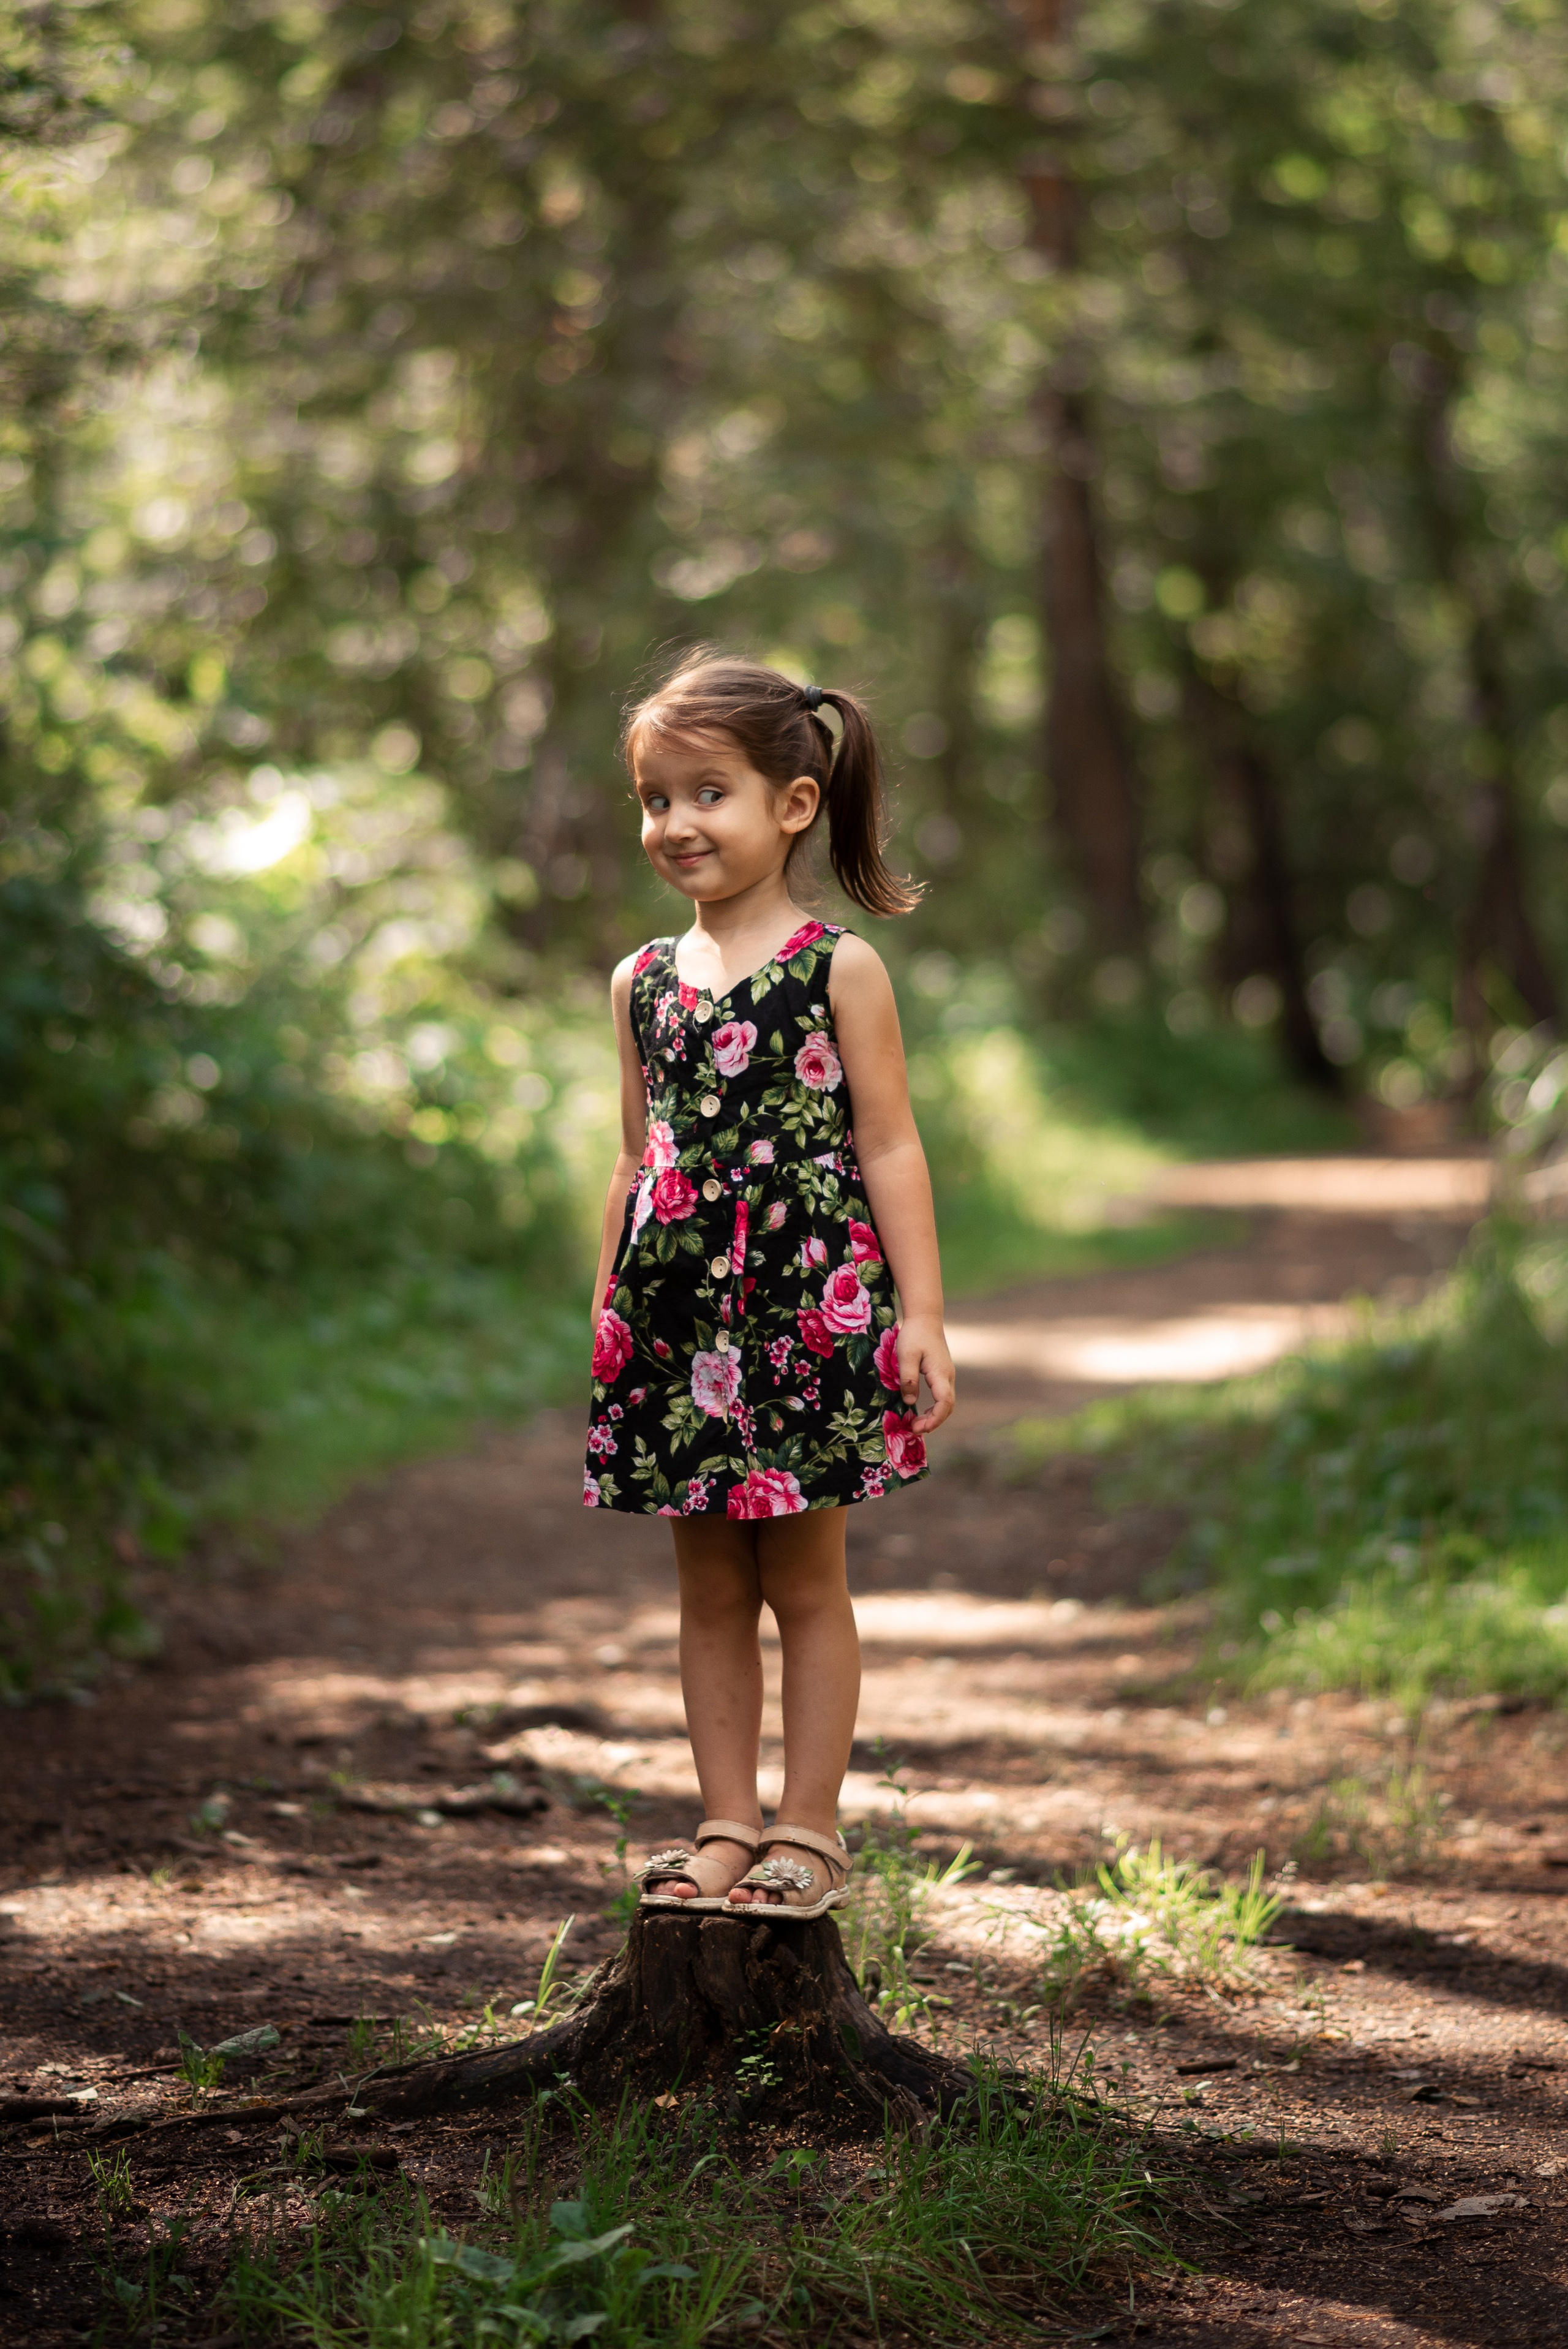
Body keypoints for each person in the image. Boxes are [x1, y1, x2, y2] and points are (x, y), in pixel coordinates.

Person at [584, 649, 955, 1918]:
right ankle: (725, 1821)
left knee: (803, 1583)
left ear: (791, 805)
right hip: (677, 1319)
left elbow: (889, 1144)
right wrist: (607, 1304)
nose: (675, 823)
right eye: (654, 797)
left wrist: (921, 1315)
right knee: (704, 1589)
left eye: (708, 793)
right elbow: (639, 1157)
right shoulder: (639, 984)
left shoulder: (836, 968)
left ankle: (810, 1826)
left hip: (810, 1309)